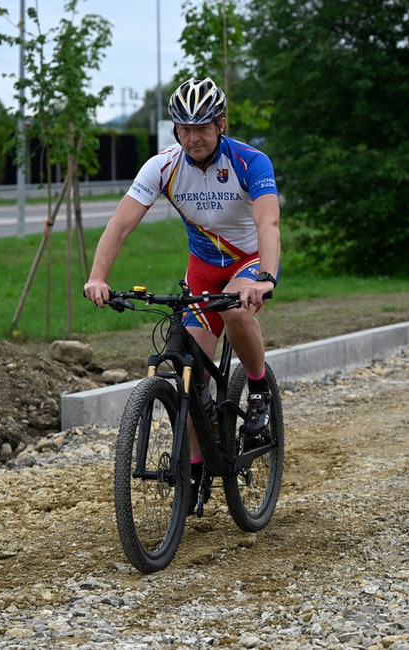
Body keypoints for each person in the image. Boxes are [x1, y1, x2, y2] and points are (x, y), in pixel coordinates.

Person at [83, 77, 281, 492]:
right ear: (176, 130)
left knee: (234, 310)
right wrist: (98, 276)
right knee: (189, 370)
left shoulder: (251, 162)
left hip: (248, 261)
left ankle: (259, 386)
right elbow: (120, 224)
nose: (193, 137)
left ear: (221, 124)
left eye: (203, 127)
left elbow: (268, 221)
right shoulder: (163, 166)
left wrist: (265, 279)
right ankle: (195, 469)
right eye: (185, 129)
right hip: (203, 269)